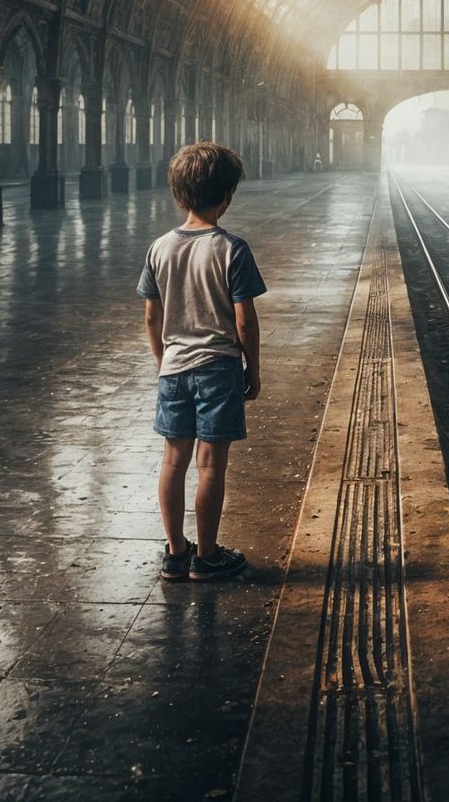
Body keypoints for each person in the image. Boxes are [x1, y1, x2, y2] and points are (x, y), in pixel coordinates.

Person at [138, 141, 266, 582]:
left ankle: (176, 553)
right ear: (227, 196)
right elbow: (245, 321)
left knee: (173, 461)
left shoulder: (159, 248)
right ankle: (207, 556)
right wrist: (254, 368)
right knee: (211, 465)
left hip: (173, 368)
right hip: (219, 368)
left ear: (178, 194)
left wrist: (163, 360)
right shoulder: (232, 249)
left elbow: (152, 316)